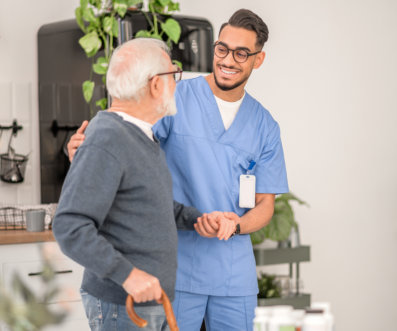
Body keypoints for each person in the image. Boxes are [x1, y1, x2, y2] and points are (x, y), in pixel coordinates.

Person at [67, 8, 289, 331]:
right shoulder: (175, 96)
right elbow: (126, 138)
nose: (228, 60)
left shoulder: (265, 126)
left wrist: (237, 224)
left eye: (241, 53)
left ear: (258, 59)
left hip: (234, 275)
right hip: (178, 265)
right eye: (222, 49)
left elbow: (265, 204)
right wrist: (85, 152)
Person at [53, 38, 237, 331]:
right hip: (121, 306)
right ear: (154, 85)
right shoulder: (108, 137)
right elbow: (69, 226)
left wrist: (200, 219)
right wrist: (128, 275)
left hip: (151, 304)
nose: (177, 83)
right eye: (173, 75)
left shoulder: (138, 136)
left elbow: (152, 206)